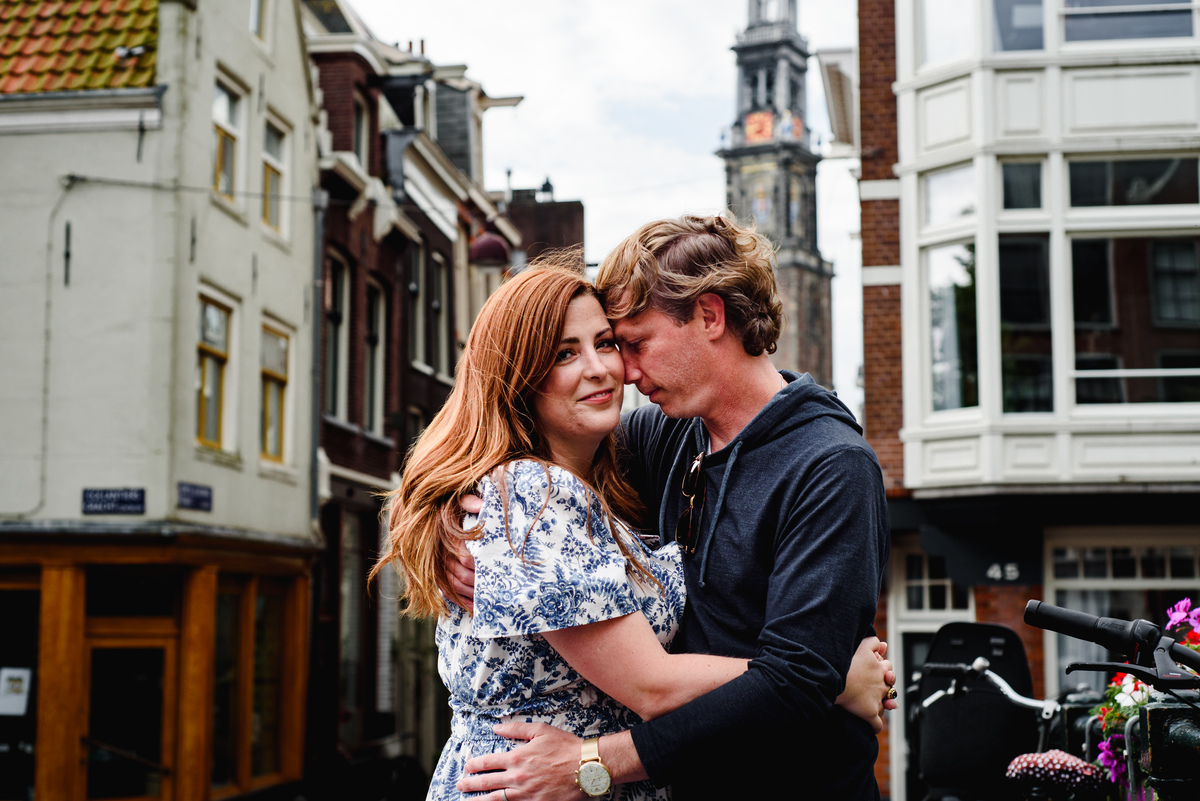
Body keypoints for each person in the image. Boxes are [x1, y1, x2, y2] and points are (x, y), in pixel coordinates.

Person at [374, 257, 893, 801]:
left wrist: (814, 676)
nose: (612, 369)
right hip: (530, 782)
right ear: (519, 374)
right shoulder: (539, 489)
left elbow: (790, 680)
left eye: (618, 343)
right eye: (565, 353)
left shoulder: (820, 463)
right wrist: (831, 680)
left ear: (710, 316)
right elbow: (653, 684)